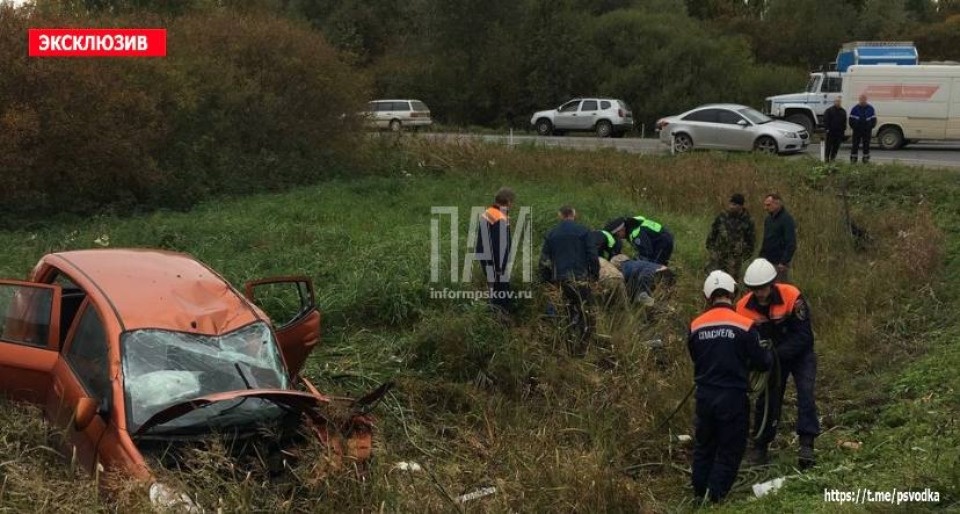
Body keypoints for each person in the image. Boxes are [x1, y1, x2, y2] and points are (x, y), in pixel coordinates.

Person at [688, 270, 771, 503]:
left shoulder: (695, 326)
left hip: (704, 396)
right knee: (730, 447)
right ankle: (715, 497)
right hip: (733, 396)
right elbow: (762, 362)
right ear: (733, 294)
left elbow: (696, 356)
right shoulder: (745, 325)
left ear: (708, 296)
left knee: (705, 445)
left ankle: (699, 491)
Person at [737, 258, 819, 469]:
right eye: (756, 289)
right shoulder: (743, 308)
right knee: (767, 400)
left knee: (806, 393)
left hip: (800, 356)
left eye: (763, 288)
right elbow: (745, 342)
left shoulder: (792, 296)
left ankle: (807, 444)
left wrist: (776, 354)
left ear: (772, 283)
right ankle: (760, 447)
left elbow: (804, 336)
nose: (760, 294)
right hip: (770, 359)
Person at [539, 205, 599, 342]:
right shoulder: (584, 231)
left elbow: (544, 261)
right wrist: (594, 275)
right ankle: (584, 345)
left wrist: (546, 281)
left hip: (560, 280)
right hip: (581, 279)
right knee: (586, 313)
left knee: (565, 313)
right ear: (574, 214)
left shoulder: (551, 233)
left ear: (560, 215)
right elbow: (593, 255)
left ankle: (565, 343)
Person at [476, 187, 516, 313]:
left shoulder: (488, 212)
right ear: (508, 202)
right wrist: (500, 269)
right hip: (496, 263)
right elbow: (500, 246)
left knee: (493, 290)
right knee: (502, 294)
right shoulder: (500, 218)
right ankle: (501, 320)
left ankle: (492, 315)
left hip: (485, 258)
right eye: (512, 202)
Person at [706, 193, 756, 280]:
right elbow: (713, 233)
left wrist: (742, 256)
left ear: (741, 206)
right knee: (713, 279)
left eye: (735, 204)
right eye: (731, 204)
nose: (731, 206)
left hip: (734, 260)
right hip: (718, 256)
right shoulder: (722, 216)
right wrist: (712, 251)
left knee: (731, 282)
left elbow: (751, 241)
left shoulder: (748, 220)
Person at [759, 193, 796, 283]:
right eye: (765, 205)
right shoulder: (768, 220)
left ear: (777, 203)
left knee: (779, 288)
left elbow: (791, 242)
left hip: (779, 262)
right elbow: (766, 240)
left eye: (768, 205)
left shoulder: (786, 219)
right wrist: (761, 257)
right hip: (767, 261)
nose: (766, 208)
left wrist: (784, 262)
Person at [848, 94, 877, 164]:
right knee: (855, 145)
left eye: (863, 99)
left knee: (866, 145)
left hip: (867, 130)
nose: (862, 101)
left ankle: (865, 159)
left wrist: (870, 127)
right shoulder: (855, 109)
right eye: (861, 99)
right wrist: (854, 127)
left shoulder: (871, 108)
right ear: (859, 100)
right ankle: (853, 159)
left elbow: (874, 120)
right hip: (857, 130)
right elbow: (850, 120)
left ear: (866, 100)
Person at [822, 97, 847, 162]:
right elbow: (825, 120)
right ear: (834, 102)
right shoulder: (829, 110)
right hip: (830, 132)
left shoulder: (843, 111)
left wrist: (843, 131)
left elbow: (844, 122)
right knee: (828, 147)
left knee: (836, 147)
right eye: (836, 101)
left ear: (841, 102)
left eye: (839, 101)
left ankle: (833, 159)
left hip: (839, 133)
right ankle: (826, 159)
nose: (838, 103)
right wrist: (827, 129)